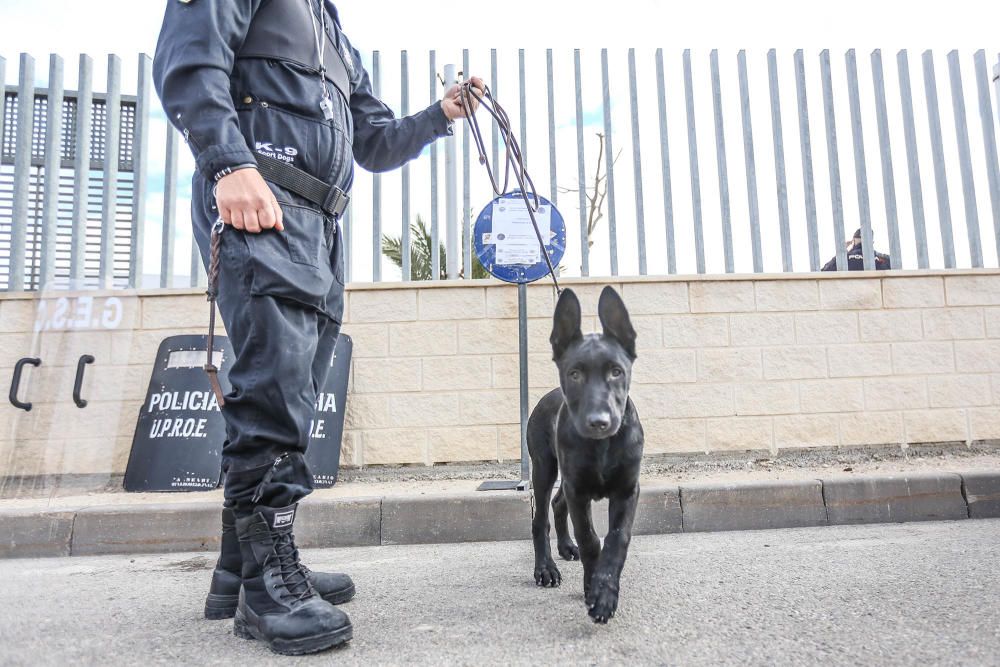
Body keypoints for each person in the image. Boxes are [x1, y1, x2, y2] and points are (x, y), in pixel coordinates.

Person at [153, 0, 483, 655]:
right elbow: (187, 62)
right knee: (274, 388)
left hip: (319, 225)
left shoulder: (332, 31)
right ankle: (266, 591)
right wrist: (228, 164)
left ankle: (240, 567)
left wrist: (439, 117)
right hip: (261, 199)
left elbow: (374, 144)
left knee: (289, 393)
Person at [822, 228, 892, 271]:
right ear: (872, 242)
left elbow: (825, 270)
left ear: (853, 241)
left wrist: (841, 252)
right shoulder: (880, 259)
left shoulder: (845, 258)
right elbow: (896, 266)